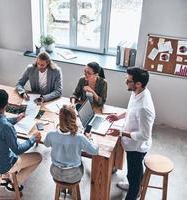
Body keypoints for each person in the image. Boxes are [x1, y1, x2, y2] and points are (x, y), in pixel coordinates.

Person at [106, 67, 155, 200]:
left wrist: (121, 133)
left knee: (134, 174)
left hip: (137, 147)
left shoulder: (144, 107)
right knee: (134, 172)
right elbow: (131, 110)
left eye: (128, 81)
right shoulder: (137, 92)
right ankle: (135, 185)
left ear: (138, 83)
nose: (125, 82)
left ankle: (134, 192)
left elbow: (144, 135)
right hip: (131, 143)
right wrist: (118, 117)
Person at [0, 89, 42, 192]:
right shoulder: (6, 127)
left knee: (7, 147)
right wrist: (33, 139)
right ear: (7, 104)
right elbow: (18, 149)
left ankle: (7, 176)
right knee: (38, 157)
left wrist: (16, 119)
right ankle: (15, 182)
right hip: (4, 165)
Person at [44, 105, 99, 198]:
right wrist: (90, 138)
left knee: (63, 162)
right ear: (74, 119)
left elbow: (46, 144)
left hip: (55, 172)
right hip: (74, 175)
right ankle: (70, 192)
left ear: (60, 119)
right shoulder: (80, 137)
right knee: (80, 163)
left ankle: (62, 191)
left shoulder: (51, 134)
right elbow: (95, 151)